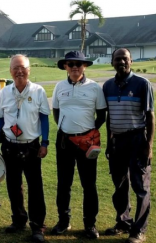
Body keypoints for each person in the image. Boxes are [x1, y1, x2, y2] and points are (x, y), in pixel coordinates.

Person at [0, 54, 50, 243]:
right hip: (9, 145)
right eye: (15, 68)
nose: (19, 71)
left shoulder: (38, 91)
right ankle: (18, 220)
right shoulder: (5, 92)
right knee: (14, 186)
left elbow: (44, 118)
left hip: (31, 146)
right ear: (10, 71)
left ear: (29, 69)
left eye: (22, 67)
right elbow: (0, 118)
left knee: (35, 187)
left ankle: (37, 225)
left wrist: (45, 142)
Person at [51, 51, 106, 239]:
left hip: (86, 142)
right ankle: (63, 221)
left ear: (85, 66)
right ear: (65, 66)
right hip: (65, 142)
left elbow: (101, 116)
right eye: (71, 64)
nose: (75, 67)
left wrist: (89, 133)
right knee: (63, 183)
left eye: (79, 64)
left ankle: (90, 224)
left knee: (89, 184)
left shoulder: (94, 88)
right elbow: (56, 111)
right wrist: (65, 129)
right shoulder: (59, 86)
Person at [103, 48, 154, 243]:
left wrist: (148, 145)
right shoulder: (107, 86)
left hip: (137, 139)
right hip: (117, 142)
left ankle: (138, 230)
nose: (121, 62)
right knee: (120, 184)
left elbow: (150, 117)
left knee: (140, 186)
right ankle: (123, 222)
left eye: (125, 59)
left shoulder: (142, 84)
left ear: (131, 61)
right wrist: (109, 142)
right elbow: (108, 118)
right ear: (112, 62)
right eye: (118, 59)